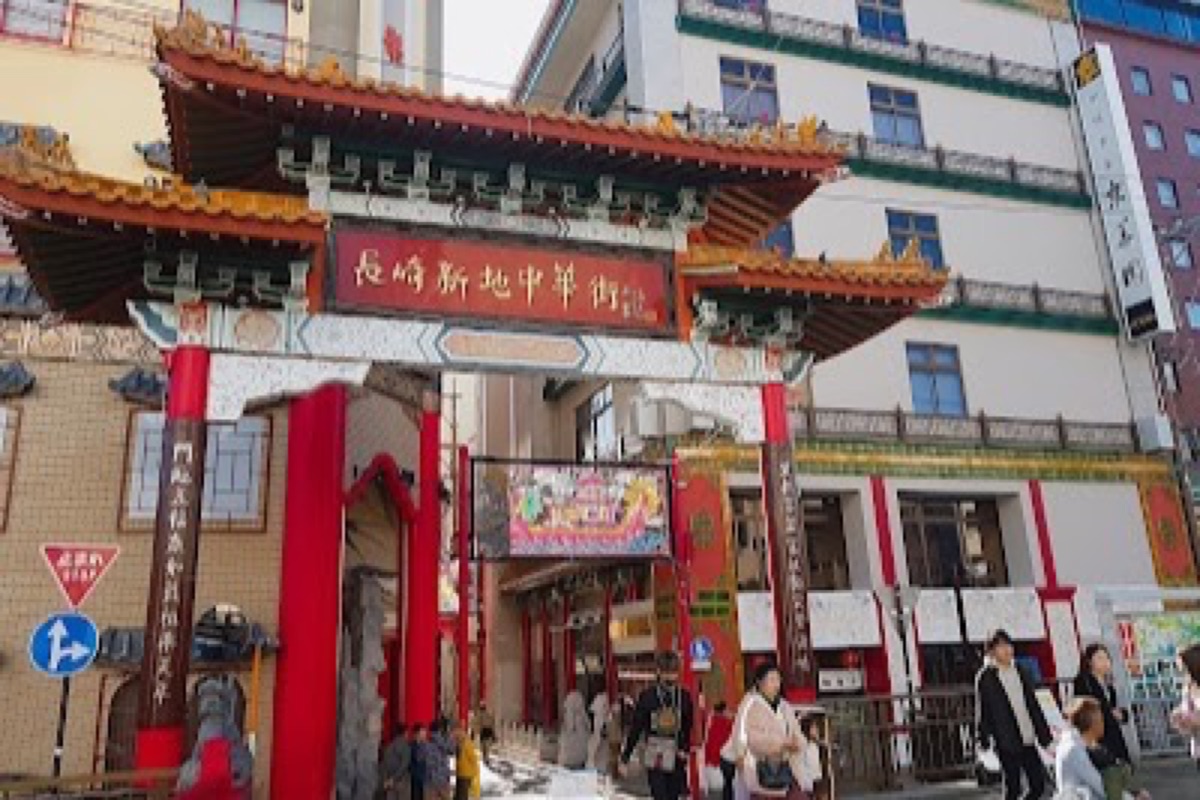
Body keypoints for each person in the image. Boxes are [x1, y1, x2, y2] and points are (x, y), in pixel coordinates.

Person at [975, 629, 1052, 800]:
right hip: (1005, 739)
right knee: (1013, 787)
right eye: (1001, 646)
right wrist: (983, 739)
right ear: (992, 650)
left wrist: (1044, 734)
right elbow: (983, 710)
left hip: (1027, 735)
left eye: (1008, 645)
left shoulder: (1021, 670)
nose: (1007, 649)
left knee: (1038, 785)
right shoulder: (986, 676)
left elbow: (1033, 704)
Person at [619, 651, 695, 800]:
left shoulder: (684, 697)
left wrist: (685, 748)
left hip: (676, 752)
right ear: (659, 672)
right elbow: (636, 727)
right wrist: (625, 757)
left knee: (674, 795)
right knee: (659, 794)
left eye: (673, 672)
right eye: (667, 672)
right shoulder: (648, 696)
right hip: (655, 753)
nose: (670, 677)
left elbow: (688, 726)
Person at [727, 663, 808, 800]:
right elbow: (747, 737)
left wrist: (798, 743)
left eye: (778, 680)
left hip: (787, 767)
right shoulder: (750, 704)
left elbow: (796, 731)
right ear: (759, 682)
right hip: (760, 768)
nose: (776, 684)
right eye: (772, 680)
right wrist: (780, 744)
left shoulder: (785, 706)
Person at [1057, 697, 1152, 800]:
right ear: (1092, 722)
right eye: (1101, 719)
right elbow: (1102, 787)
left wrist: (1134, 793)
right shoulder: (1074, 750)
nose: (1104, 724)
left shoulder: (1082, 744)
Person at [1072, 643, 1132, 767]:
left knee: (1120, 766)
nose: (1105, 662)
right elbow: (1086, 707)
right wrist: (1108, 713)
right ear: (1089, 661)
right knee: (1106, 767)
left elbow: (1112, 705)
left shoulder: (1107, 682)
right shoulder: (1084, 681)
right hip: (1096, 732)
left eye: (1106, 658)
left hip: (1112, 730)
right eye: (1099, 658)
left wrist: (1121, 714)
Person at [1170, 643, 1200, 767]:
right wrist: (1179, 716)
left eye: (1182, 663)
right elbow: (1186, 710)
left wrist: (1195, 719)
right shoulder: (1187, 686)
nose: (1179, 667)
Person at [702, 701, 734, 800]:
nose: (730, 712)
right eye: (728, 710)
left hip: (715, 758)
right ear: (723, 711)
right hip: (724, 757)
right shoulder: (724, 723)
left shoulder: (712, 721)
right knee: (726, 784)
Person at [424, 718, 455, 800]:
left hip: (431, 780)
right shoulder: (445, 741)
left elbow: (423, 760)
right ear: (440, 730)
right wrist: (449, 736)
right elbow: (452, 750)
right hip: (443, 778)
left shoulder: (426, 744)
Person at [381, 725, 412, 800]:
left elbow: (384, 764)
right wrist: (394, 778)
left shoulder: (389, 746)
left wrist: (386, 780)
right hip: (401, 780)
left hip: (389, 781)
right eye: (407, 733)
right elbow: (404, 765)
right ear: (405, 733)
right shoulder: (405, 746)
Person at [796, 716, 823, 797]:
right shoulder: (803, 745)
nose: (816, 729)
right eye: (814, 727)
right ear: (807, 728)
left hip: (813, 781)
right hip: (806, 782)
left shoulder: (812, 744)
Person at [453, 725, 481, 800]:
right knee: (457, 796)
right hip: (460, 774)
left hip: (466, 775)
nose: (455, 735)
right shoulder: (459, 744)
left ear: (463, 733)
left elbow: (474, 760)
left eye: (457, 733)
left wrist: (475, 774)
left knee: (462, 796)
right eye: (455, 733)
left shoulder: (467, 744)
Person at [409, 725, 429, 800]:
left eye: (425, 733)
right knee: (415, 796)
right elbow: (418, 758)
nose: (425, 735)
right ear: (417, 734)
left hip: (423, 775)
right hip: (415, 776)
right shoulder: (412, 745)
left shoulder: (424, 744)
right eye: (423, 733)